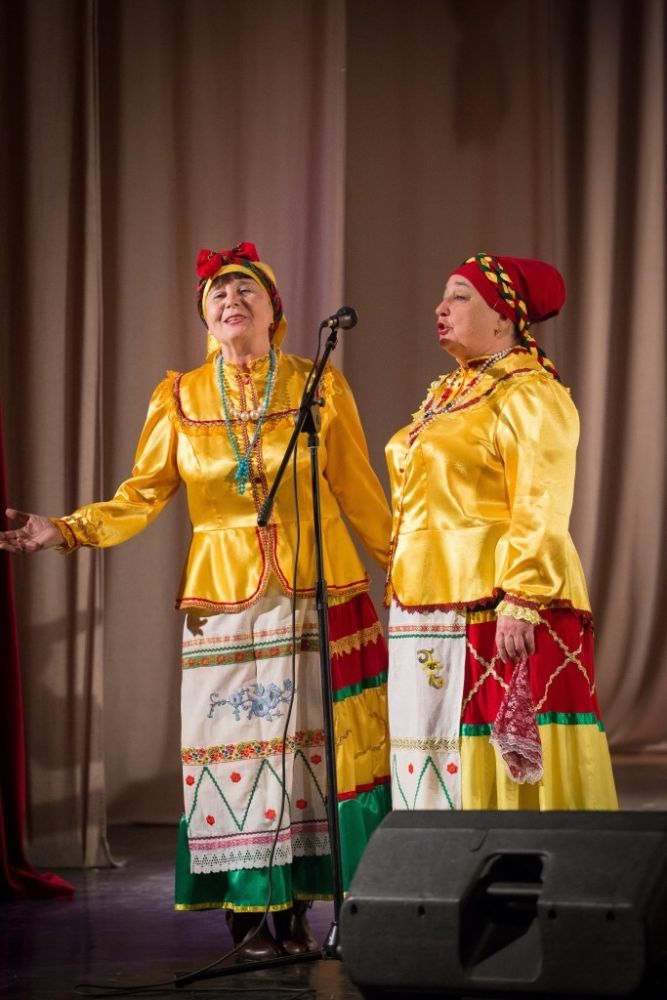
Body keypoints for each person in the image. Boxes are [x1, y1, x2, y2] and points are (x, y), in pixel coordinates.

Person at [0, 242, 392, 959]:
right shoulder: (179, 396)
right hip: (223, 601)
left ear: (274, 311)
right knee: (237, 753)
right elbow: (141, 494)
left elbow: (358, 489)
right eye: (217, 294)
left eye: (246, 290)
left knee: (308, 755)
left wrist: (405, 564)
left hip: (314, 588)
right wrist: (66, 529)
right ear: (204, 318)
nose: (230, 300)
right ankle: (247, 908)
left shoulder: (318, 386)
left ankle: (299, 908)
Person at [385, 252, 617, 812]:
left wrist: (523, 596)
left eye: (460, 296)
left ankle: (509, 858)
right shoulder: (450, 392)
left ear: (503, 317)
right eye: (444, 296)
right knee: (431, 745)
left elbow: (542, 500)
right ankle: (437, 858)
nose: (441, 308)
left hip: (498, 602)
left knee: (493, 749)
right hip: (429, 602)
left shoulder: (528, 392)